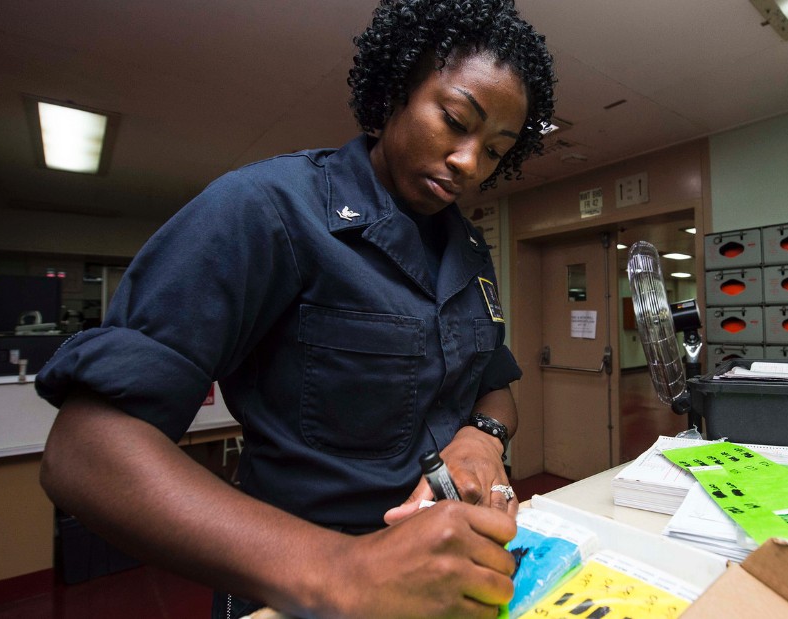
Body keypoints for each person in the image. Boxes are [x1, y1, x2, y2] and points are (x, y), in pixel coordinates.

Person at [35, 0, 555, 617]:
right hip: (304, 589)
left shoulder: (467, 246)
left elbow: (495, 385)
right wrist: (346, 569)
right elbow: (85, 452)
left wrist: (482, 438)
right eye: (453, 120)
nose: (470, 163)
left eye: (495, 151)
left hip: (447, 580)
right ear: (395, 92)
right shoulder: (267, 208)